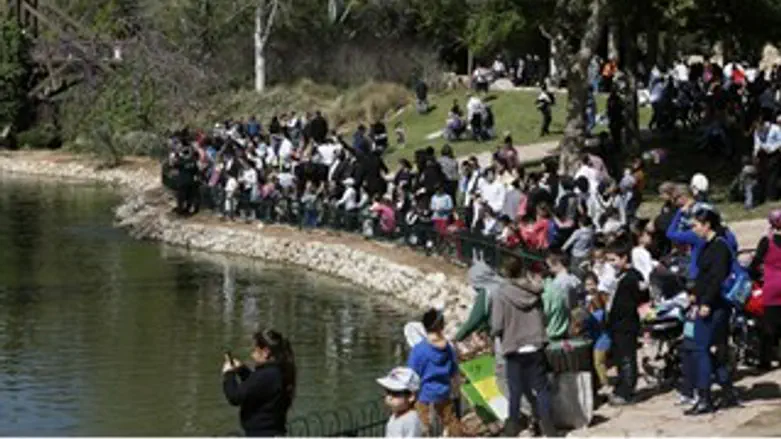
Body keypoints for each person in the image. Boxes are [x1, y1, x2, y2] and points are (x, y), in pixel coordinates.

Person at [491, 256, 556, 437]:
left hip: (514, 347)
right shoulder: (535, 291)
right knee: (541, 389)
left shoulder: (501, 294)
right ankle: (549, 429)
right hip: (535, 344)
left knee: (515, 391)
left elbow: (497, 325)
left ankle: (512, 429)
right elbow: (543, 316)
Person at [683, 207, 738, 415]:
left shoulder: (719, 247)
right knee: (713, 348)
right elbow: (704, 277)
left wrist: (705, 302)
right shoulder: (708, 245)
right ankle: (727, 391)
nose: (694, 229)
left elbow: (716, 278)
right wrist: (694, 294)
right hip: (707, 302)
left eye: (696, 225)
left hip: (715, 305)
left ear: (707, 225)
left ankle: (705, 397)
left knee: (701, 349)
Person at [222, 329, 297, 437]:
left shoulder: (267, 374)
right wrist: (241, 370)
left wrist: (228, 374)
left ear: (265, 352)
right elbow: (258, 387)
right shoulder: (278, 371)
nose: (252, 354)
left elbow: (235, 397)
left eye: (255, 350)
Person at [407, 308, 462, 436]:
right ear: (442, 326)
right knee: (450, 424)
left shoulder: (419, 350)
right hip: (444, 394)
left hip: (424, 396)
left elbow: (411, 376)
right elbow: (454, 372)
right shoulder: (449, 349)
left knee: (423, 428)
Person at [605, 240, 648, 406]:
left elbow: (642, 296)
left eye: (613, 260)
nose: (611, 264)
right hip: (616, 323)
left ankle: (627, 391)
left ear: (624, 258)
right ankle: (621, 386)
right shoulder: (619, 276)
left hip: (627, 323)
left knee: (627, 358)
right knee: (619, 357)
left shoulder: (633, 276)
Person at [748, 209, 781, 370]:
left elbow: (755, 264)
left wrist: (754, 275)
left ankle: (765, 359)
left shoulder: (767, 241)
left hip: (772, 284)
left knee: (768, 324)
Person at [376, 367, 424, 438]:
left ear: (411, 396)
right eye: (388, 392)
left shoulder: (410, 421)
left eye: (395, 393)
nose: (389, 397)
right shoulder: (395, 415)